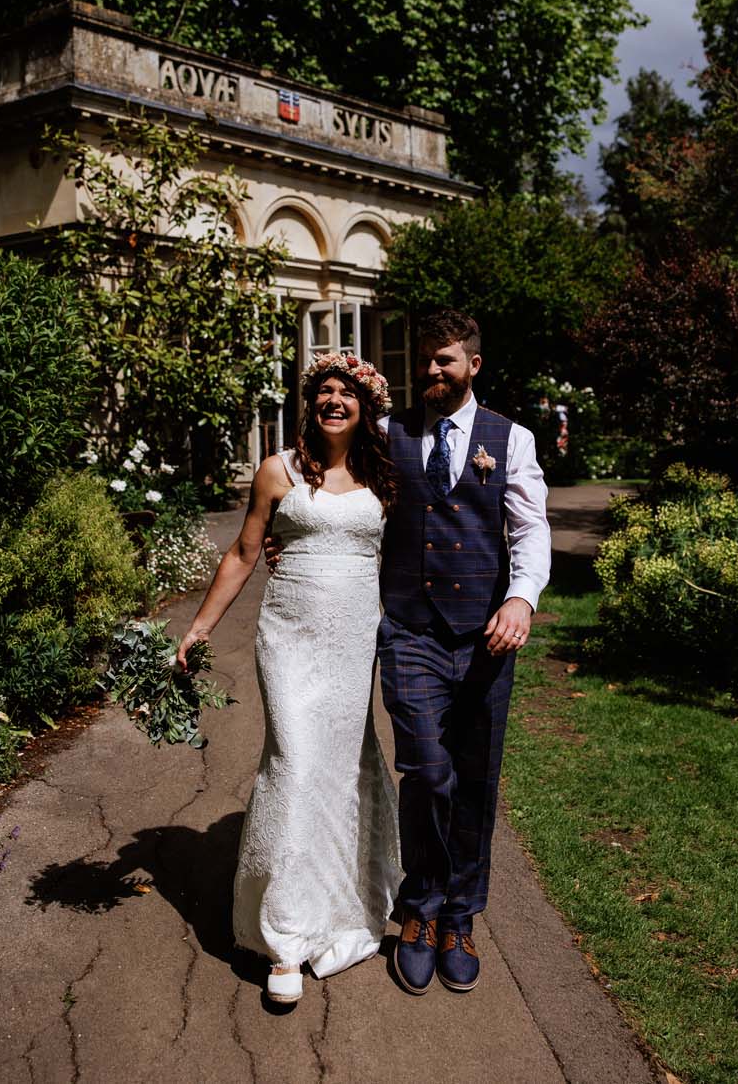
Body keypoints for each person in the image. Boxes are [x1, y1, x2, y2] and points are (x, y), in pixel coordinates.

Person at [176, 352, 401, 1006]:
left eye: (346, 392)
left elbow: (411, 548)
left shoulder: (384, 473)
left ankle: (343, 901)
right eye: (324, 391)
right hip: (288, 637)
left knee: (338, 768)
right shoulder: (277, 470)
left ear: (364, 404)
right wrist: (197, 629)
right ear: (311, 405)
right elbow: (246, 550)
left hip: (355, 639)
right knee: (294, 766)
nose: (334, 400)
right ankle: (283, 939)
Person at [378, 308, 550, 995]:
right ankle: (417, 906)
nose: (430, 371)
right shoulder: (389, 434)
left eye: (443, 359)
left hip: (483, 637)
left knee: (475, 778)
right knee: (425, 769)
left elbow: (530, 530)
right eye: (423, 360)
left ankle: (459, 916)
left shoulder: (509, 438)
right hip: (412, 631)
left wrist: (521, 598)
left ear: (472, 364)